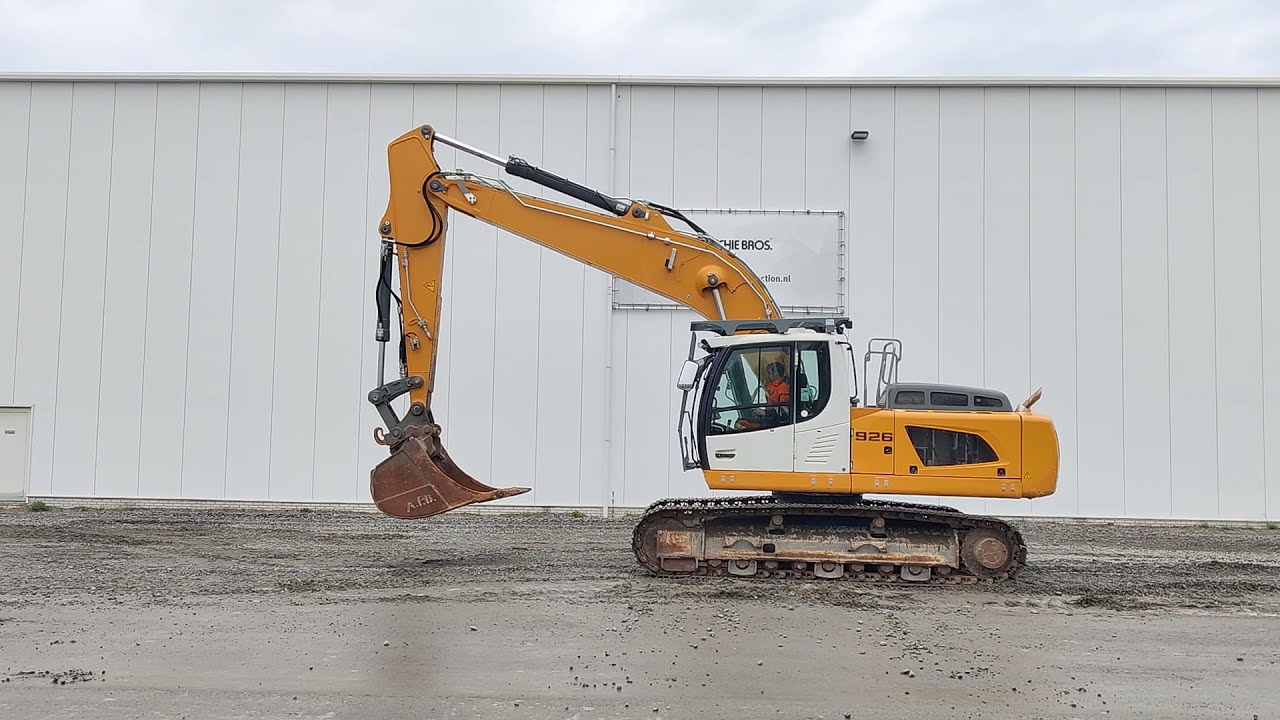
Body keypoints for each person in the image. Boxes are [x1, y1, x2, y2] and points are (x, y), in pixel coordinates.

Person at [734, 360, 791, 431]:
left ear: (776, 373)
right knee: (742, 421)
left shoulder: (783, 388)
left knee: (745, 426)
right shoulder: (772, 387)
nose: (769, 376)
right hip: (770, 418)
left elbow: (784, 410)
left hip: (776, 422)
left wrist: (765, 413)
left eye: (770, 373)